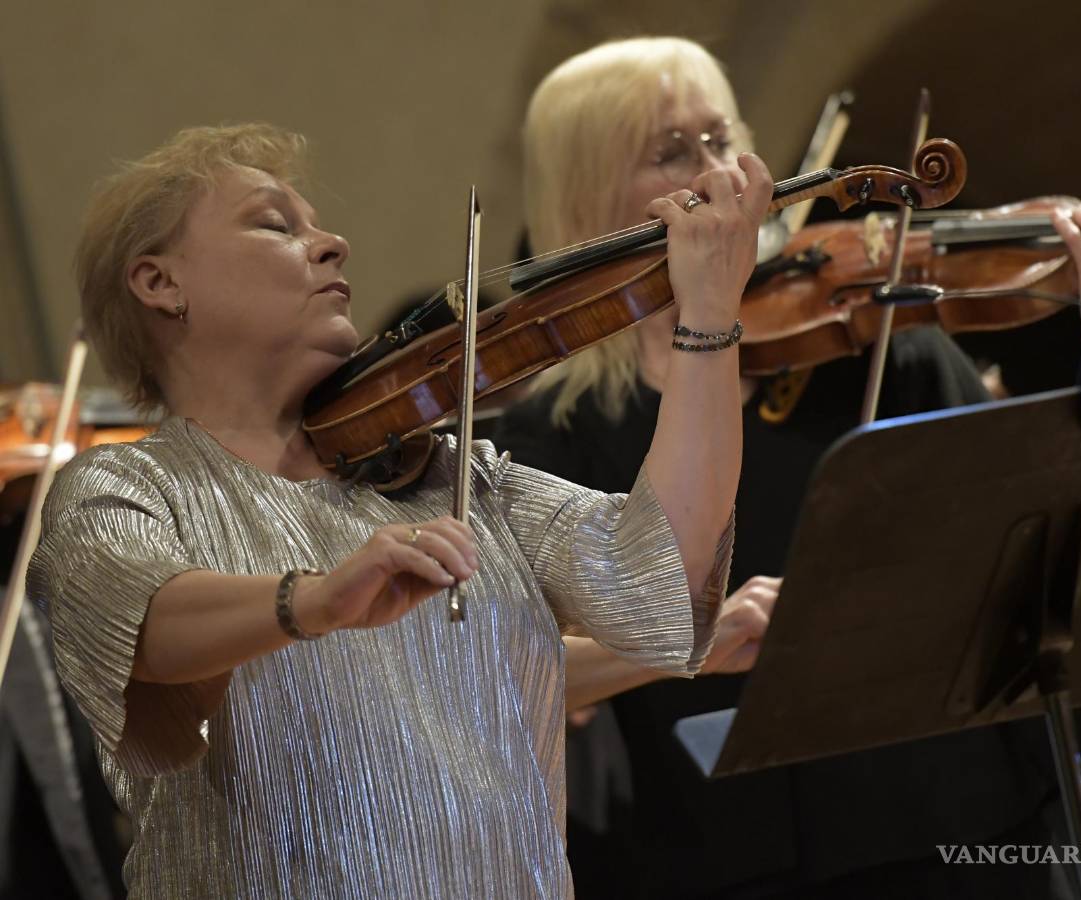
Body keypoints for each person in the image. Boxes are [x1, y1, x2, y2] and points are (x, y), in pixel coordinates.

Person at [491, 37, 1081, 899]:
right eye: (671, 152)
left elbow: (1056, 530)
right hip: (746, 857)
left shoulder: (880, 345)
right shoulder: (556, 436)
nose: (720, 172)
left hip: (967, 820)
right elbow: (517, 671)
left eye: (721, 138)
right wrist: (691, 641)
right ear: (588, 199)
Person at [26, 121, 773, 898]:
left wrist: (708, 316)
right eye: (276, 226)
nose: (333, 244)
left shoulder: (454, 475)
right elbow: (146, 626)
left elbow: (659, 582)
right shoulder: (123, 487)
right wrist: (315, 599)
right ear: (160, 283)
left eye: (317, 225)